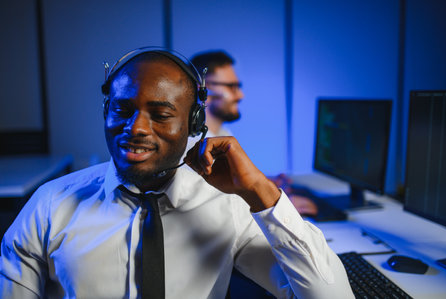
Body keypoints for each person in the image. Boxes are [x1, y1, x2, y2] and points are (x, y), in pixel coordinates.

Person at [0, 48, 353, 298]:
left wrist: (262, 192)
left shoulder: (228, 207)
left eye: (161, 114)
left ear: (194, 124)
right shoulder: (49, 206)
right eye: (122, 109)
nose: (135, 128)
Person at [187, 50, 318, 216]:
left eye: (238, 87)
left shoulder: (221, 133)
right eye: (231, 87)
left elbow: (230, 189)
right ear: (203, 90)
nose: (240, 95)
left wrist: (264, 182)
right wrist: (278, 204)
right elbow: (220, 213)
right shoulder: (194, 147)